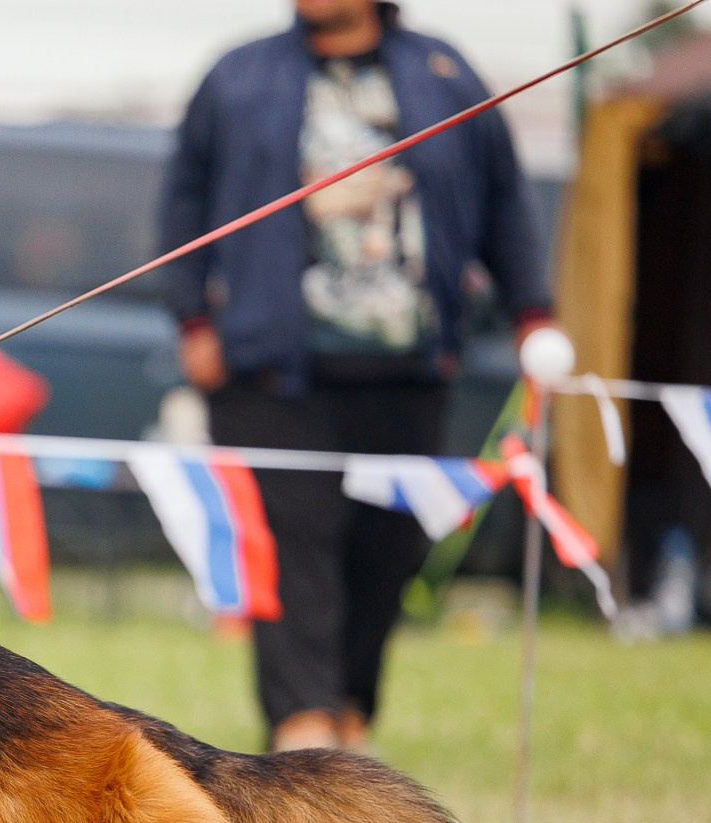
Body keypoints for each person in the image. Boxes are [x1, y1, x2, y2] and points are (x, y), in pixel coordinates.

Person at [159, 0, 555, 751]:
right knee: (290, 548)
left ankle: (349, 714)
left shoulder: (444, 74)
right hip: (270, 374)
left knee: (384, 552)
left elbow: (504, 198)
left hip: (408, 369)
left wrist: (532, 310)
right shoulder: (238, 76)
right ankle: (302, 731)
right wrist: (191, 319)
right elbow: (183, 202)